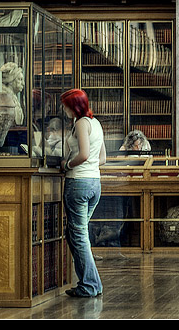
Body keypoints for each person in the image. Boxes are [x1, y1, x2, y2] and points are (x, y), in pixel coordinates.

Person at [60, 89, 106, 297]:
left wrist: (67, 164)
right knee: (77, 234)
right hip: (94, 183)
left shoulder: (80, 123)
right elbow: (102, 158)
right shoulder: (96, 123)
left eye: (65, 106)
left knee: (78, 236)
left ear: (74, 106)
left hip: (78, 182)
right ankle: (92, 284)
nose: (64, 110)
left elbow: (84, 155)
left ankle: (89, 285)